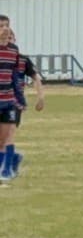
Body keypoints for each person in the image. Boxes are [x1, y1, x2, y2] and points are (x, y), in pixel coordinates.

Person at [0, 16, 43, 185]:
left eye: (7, 27)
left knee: (9, 135)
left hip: (11, 101)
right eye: (1, 27)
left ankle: (6, 170)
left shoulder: (16, 54)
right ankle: (12, 160)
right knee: (3, 139)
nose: (5, 30)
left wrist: (22, 100)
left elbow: (21, 77)